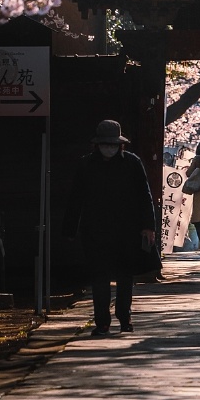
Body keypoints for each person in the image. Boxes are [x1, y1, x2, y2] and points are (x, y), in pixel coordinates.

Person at [63, 119, 158, 338]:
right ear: (97, 145)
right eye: (105, 144)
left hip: (127, 230)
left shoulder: (132, 163)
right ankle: (102, 322)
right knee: (99, 278)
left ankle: (125, 318)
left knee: (125, 277)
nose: (109, 148)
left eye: (113, 144)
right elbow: (76, 199)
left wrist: (148, 227)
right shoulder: (86, 165)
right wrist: (69, 229)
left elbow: (144, 196)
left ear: (120, 144)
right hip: (95, 230)